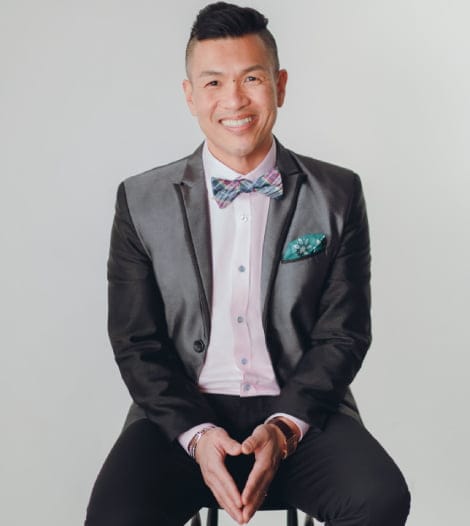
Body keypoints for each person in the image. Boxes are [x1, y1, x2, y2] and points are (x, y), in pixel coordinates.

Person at [85, 3, 410, 525]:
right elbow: (136, 342)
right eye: (213, 83)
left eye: (252, 78)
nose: (234, 100)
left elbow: (343, 334)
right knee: (115, 517)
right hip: (181, 415)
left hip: (301, 411)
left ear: (280, 85)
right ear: (190, 95)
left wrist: (284, 427)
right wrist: (199, 435)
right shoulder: (141, 201)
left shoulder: (338, 194)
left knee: (380, 499)